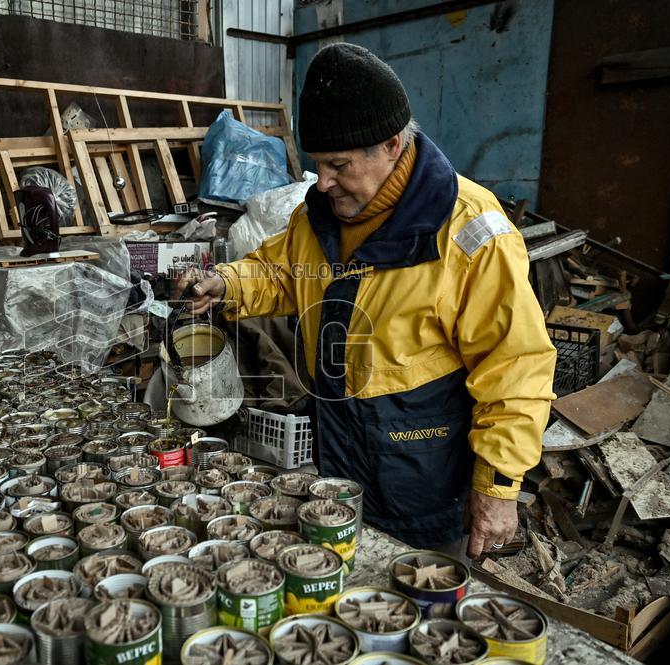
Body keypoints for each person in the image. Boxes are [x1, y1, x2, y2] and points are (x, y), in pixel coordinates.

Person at [182, 43, 557, 560]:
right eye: (319, 165)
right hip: (340, 450)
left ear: (392, 145)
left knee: (421, 604)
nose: (323, 181)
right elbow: (282, 272)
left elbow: (515, 367)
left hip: (423, 469)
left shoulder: (470, 230)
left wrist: (496, 489)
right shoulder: (321, 214)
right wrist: (227, 283)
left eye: (338, 164)